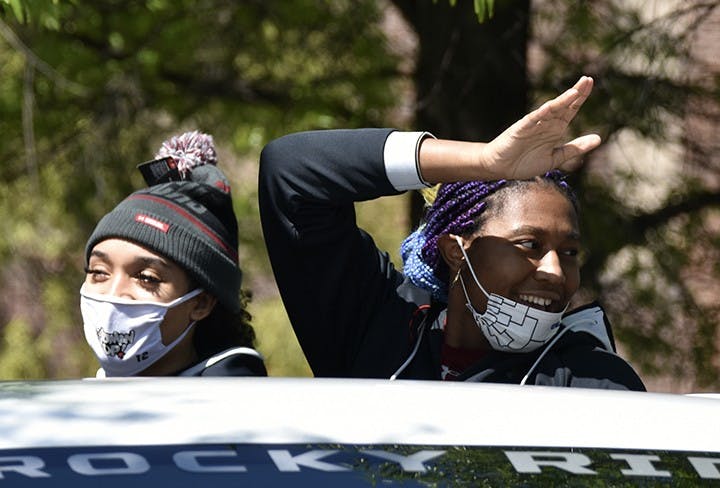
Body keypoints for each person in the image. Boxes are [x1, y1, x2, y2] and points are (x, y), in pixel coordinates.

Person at [258, 76, 645, 390]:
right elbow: (291, 172)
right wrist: (483, 161)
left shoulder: (594, 382)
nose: (556, 272)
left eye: (570, 252)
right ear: (456, 251)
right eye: (530, 244)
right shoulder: (380, 327)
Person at [81, 131, 267, 377]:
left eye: (146, 278)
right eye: (99, 272)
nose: (115, 294)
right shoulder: (83, 400)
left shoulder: (234, 405)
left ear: (201, 303)